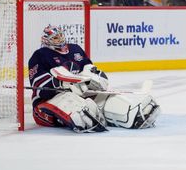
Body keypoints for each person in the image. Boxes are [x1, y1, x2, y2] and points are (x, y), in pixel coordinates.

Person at [29, 25, 160, 132]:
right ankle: (86, 117)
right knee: (80, 113)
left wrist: (95, 79)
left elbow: (90, 68)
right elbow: (38, 86)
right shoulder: (40, 55)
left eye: (60, 36)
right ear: (46, 40)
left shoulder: (75, 49)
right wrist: (62, 82)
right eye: (55, 38)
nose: (59, 39)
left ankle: (132, 114)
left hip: (82, 94)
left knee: (106, 100)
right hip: (48, 101)